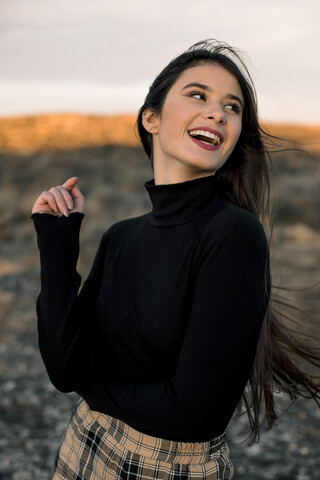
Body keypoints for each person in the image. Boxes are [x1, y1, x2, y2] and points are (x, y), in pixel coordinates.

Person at [31, 40, 320, 479]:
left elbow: (193, 413)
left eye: (233, 107)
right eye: (198, 95)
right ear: (151, 117)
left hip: (167, 468)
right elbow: (63, 365)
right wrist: (57, 244)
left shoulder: (234, 236)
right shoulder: (119, 238)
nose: (218, 113)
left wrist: (91, 386)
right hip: (84, 447)